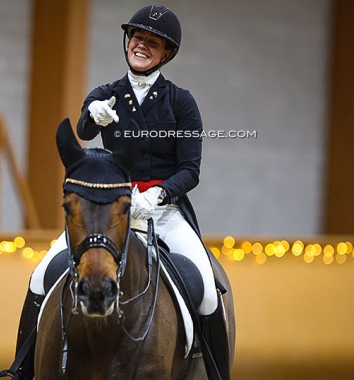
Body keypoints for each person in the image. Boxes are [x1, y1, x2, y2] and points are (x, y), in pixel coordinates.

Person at [14, 5, 230, 380]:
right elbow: (82, 130)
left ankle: (216, 373)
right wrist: (92, 113)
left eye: (152, 42)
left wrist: (158, 196)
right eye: (136, 38)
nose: (140, 45)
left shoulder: (181, 102)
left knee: (208, 290)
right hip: (110, 209)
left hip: (162, 211)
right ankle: (20, 370)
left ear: (166, 53)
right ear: (126, 42)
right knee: (40, 276)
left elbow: (190, 170)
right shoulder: (108, 93)